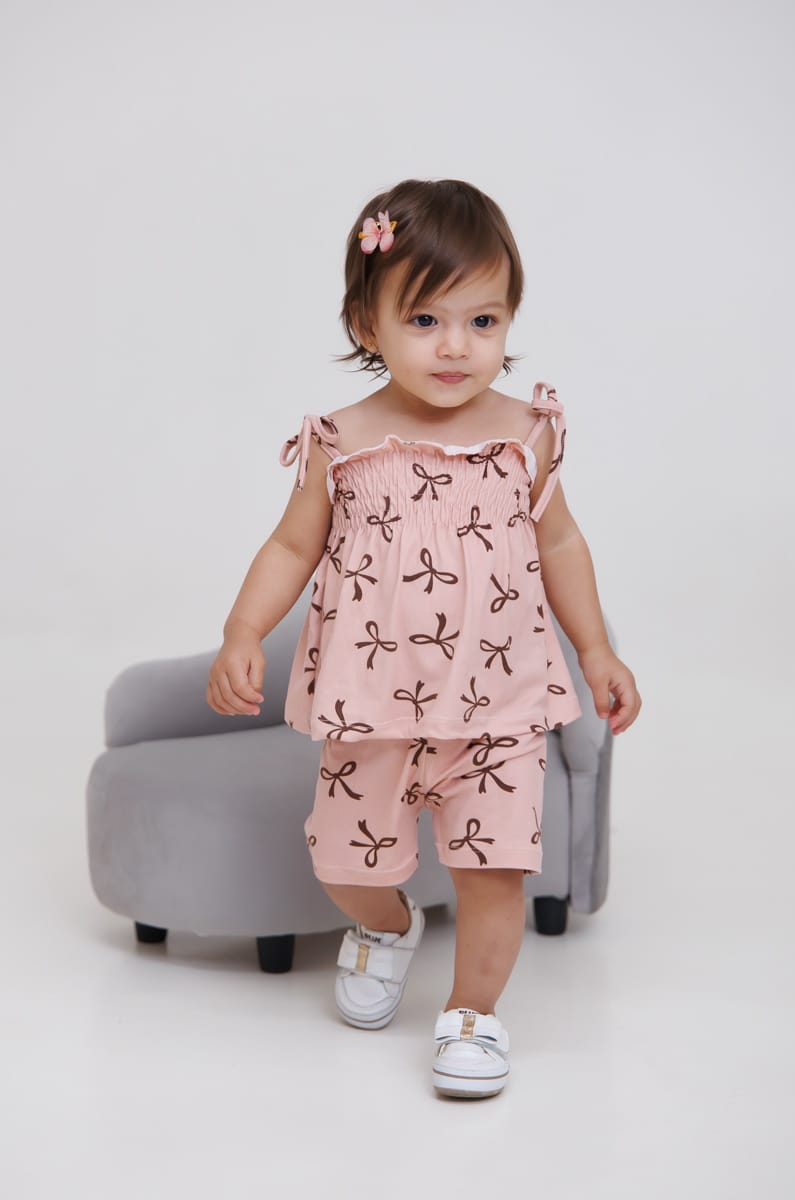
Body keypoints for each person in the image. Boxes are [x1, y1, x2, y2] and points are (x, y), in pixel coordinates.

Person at [207, 178, 641, 1099]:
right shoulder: (341, 442)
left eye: (483, 321)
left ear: (510, 319)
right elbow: (291, 547)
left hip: (499, 706)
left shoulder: (527, 436)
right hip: (373, 707)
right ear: (367, 324)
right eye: (426, 320)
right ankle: (387, 923)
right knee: (341, 860)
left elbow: (561, 544)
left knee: (495, 873)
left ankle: (474, 1015)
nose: (456, 346)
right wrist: (244, 630)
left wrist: (596, 651)